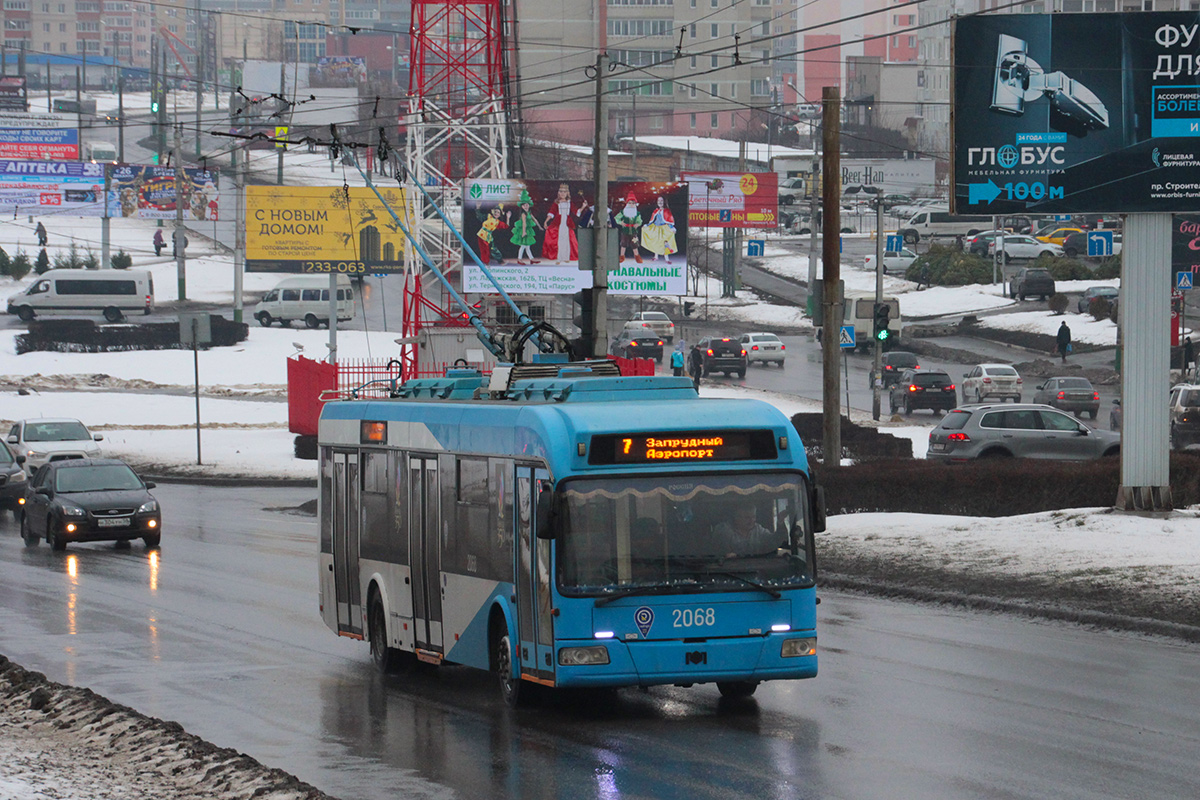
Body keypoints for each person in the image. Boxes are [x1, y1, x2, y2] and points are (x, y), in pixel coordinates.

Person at [713, 505, 778, 557]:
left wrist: (780, 524)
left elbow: (773, 541)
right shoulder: (724, 530)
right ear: (736, 518)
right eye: (747, 518)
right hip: (731, 569)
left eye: (753, 517)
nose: (751, 521)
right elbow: (719, 553)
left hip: (757, 566)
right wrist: (727, 555)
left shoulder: (758, 529)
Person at [541, 182, 579, 264]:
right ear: (558, 193)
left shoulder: (570, 203)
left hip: (567, 223)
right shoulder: (556, 203)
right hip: (558, 223)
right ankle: (559, 258)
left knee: (567, 240)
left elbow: (577, 213)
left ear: (567, 193)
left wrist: (583, 206)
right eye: (561, 191)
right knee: (559, 241)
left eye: (564, 192)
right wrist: (546, 221)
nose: (562, 193)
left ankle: (566, 257)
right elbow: (551, 213)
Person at [641, 195, 677, 264]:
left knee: (665, 243)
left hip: (664, 228)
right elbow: (652, 220)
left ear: (664, 202)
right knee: (656, 242)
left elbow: (668, 220)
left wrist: (672, 227)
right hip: (656, 228)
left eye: (661, 200)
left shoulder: (666, 211)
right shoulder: (656, 211)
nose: (660, 202)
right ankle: (656, 256)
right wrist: (647, 225)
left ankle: (667, 259)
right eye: (658, 201)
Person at [510, 189, 540, 265]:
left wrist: (539, 227)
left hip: (528, 230)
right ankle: (519, 259)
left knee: (527, 246)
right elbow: (524, 223)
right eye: (524, 205)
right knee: (523, 246)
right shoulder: (523, 214)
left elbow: (535, 220)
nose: (526, 206)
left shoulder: (529, 212)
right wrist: (524, 232)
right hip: (524, 230)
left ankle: (531, 259)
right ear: (522, 207)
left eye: (527, 205)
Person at [614, 191, 643, 263]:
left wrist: (638, 224)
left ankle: (637, 256)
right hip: (625, 230)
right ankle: (621, 256)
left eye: (633, 203)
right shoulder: (623, 212)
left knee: (634, 244)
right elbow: (616, 218)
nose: (631, 205)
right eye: (629, 203)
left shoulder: (637, 213)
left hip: (633, 231)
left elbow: (640, 221)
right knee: (623, 243)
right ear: (627, 204)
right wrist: (621, 222)